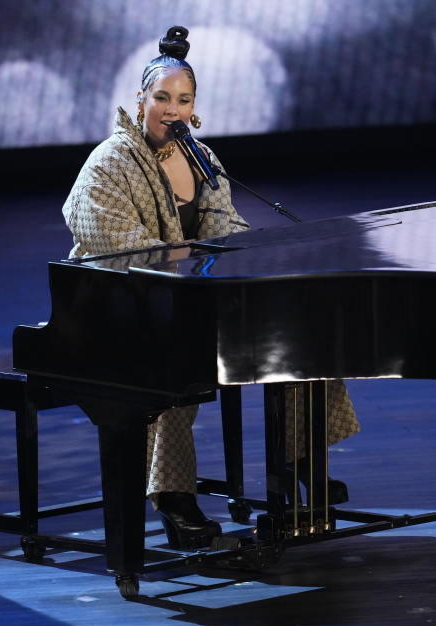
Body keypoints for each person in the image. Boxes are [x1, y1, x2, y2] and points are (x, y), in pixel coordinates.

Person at [62, 26, 360, 549]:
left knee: (292, 326)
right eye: (161, 98)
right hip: (114, 309)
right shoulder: (107, 163)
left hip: (184, 299)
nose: (171, 110)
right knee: (174, 359)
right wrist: (199, 261)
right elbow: (121, 250)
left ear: (194, 108)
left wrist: (261, 253)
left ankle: (301, 457)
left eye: (183, 100)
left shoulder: (201, 158)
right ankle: (174, 496)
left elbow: (227, 226)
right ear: (139, 101)